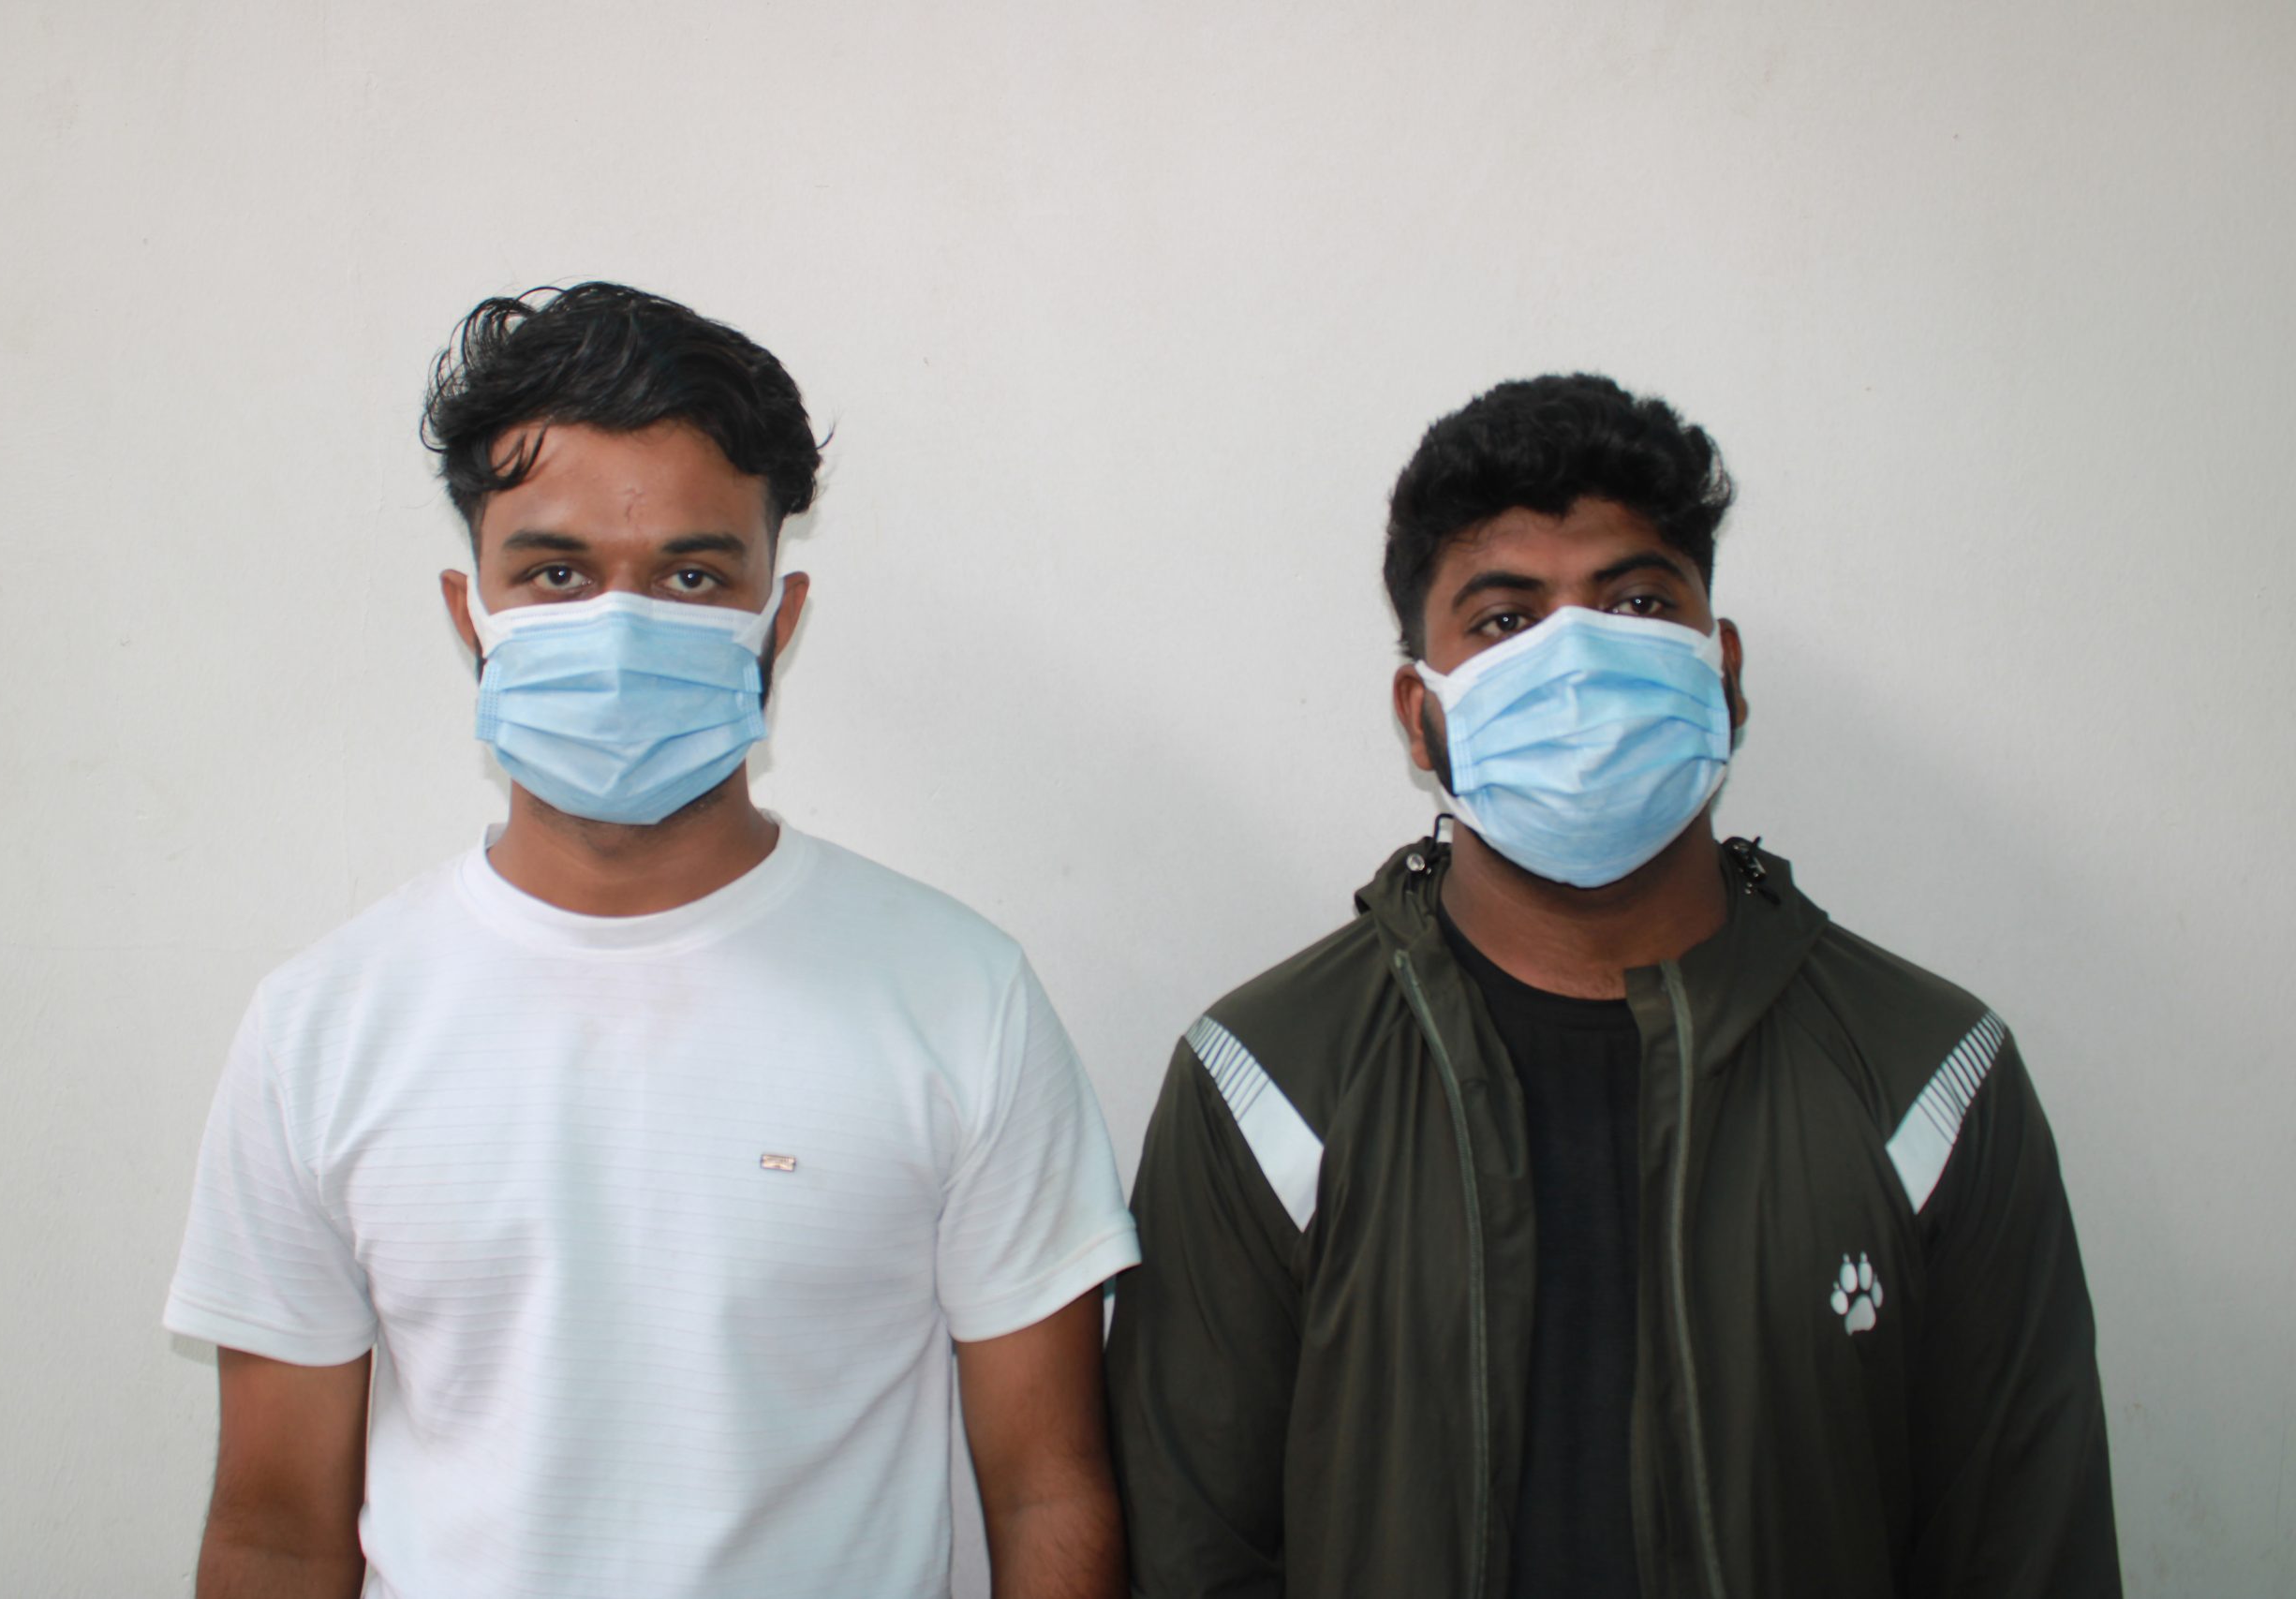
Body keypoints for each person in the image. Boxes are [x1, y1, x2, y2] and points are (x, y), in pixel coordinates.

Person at [164, 282, 1140, 1599]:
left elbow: (1048, 1493)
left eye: (691, 576)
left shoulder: (962, 998)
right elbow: (278, 1534)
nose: (619, 628)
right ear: (471, 614)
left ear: (777, 620)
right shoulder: (322, 1028)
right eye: (556, 574)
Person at [1104, 374, 2118, 1599]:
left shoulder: (1933, 1079)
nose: (1577, 660)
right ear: (1421, 717)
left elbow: (2027, 1549)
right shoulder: (1267, 1085)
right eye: (1504, 619)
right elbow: (1194, 1555)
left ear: (1721, 671)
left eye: (1637, 602)